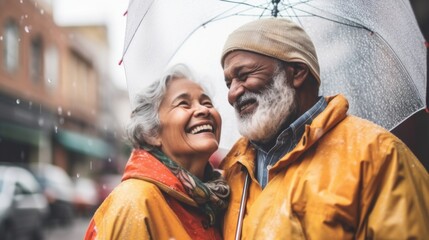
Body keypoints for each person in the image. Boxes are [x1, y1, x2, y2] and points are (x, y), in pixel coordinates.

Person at [219, 18, 429, 239]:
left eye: (244, 76)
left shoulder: (377, 154)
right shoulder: (233, 168)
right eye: (228, 83)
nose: (232, 94)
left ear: (297, 72)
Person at [84, 64, 230, 240]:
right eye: (184, 104)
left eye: (206, 102)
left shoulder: (219, 202)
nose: (204, 110)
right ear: (151, 133)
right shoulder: (134, 202)